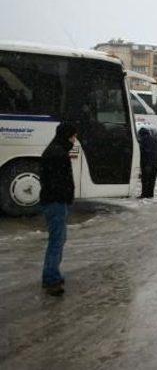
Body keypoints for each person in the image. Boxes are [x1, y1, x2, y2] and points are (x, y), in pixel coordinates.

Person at [40, 122, 77, 296]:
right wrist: (66, 196)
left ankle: (52, 275)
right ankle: (51, 280)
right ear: (66, 136)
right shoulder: (57, 154)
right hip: (56, 203)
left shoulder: (54, 150)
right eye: (73, 136)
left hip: (53, 201)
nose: (74, 140)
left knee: (58, 240)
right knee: (56, 241)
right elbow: (59, 182)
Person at [138, 128, 157, 198]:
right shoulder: (154, 139)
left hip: (148, 164)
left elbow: (146, 152)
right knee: (152, 180)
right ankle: (150, 194)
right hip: (156, 164)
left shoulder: (144, 140)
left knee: (145, 180)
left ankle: (144, 195)